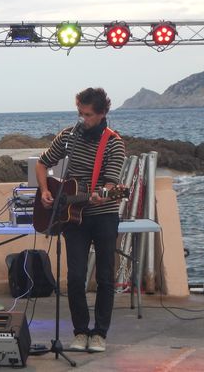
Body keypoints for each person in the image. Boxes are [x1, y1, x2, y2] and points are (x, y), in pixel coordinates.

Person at [35, 87, 125, 352]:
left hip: (103, 214)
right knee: (74, 277)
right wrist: (45, 191)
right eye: (80, 113)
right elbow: (42, 163)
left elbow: (111, 184)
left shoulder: (113, 143)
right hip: (73, 218)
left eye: (87, 115)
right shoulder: (69, 136)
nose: (82, 119)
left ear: (102, 113)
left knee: (105, 276)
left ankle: (100, 333)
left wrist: (103, 195)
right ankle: (80, 331)